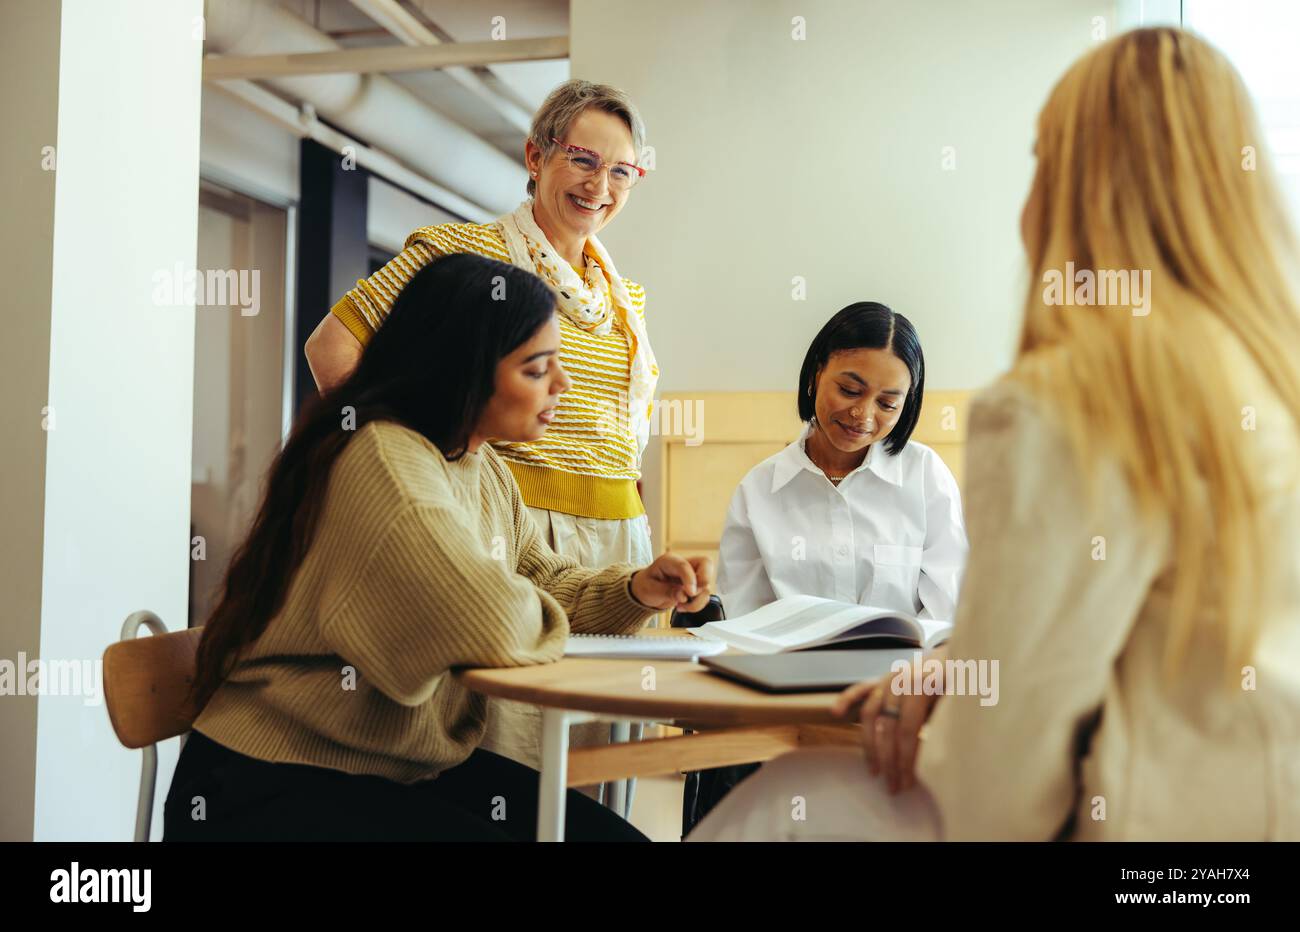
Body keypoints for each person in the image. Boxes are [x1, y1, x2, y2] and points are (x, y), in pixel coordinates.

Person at [690, 27, 1300, 842]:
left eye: (1042, 160)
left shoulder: (1058, 404)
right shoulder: (1272, 379)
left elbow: (999, 787)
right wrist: (957, 668)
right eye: (848, 388)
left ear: (1082, 189)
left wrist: (957, 680)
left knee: (783, 803)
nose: (864, 415)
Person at [164, 253, 713, 841]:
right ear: (464, 371)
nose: (563, 385)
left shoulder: (479, 463)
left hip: (398, 767)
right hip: (277, 781)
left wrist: (633, 589)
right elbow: (490, 619)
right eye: (536, 369)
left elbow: (539, 581)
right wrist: (527, 607)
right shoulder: (387, 461)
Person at [304, 79, 658, 774]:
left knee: (592, 769)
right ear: (536, 154)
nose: (601, 186)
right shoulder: (463, 254)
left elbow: (618, 438)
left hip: (616, 537)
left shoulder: (621, 294)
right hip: (511, 526)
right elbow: (332, 350)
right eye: (584, 160)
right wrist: (415, 463)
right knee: (511, 761)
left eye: (622, 171)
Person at [718, 302, 967, 620]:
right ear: (816, 373)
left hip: (903, 668)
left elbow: (947, 609)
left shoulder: (925, 477)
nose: (863, 415)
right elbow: (744, 617)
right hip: (787, 667)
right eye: (850, 390)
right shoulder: (759, 490)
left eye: (887, 404)